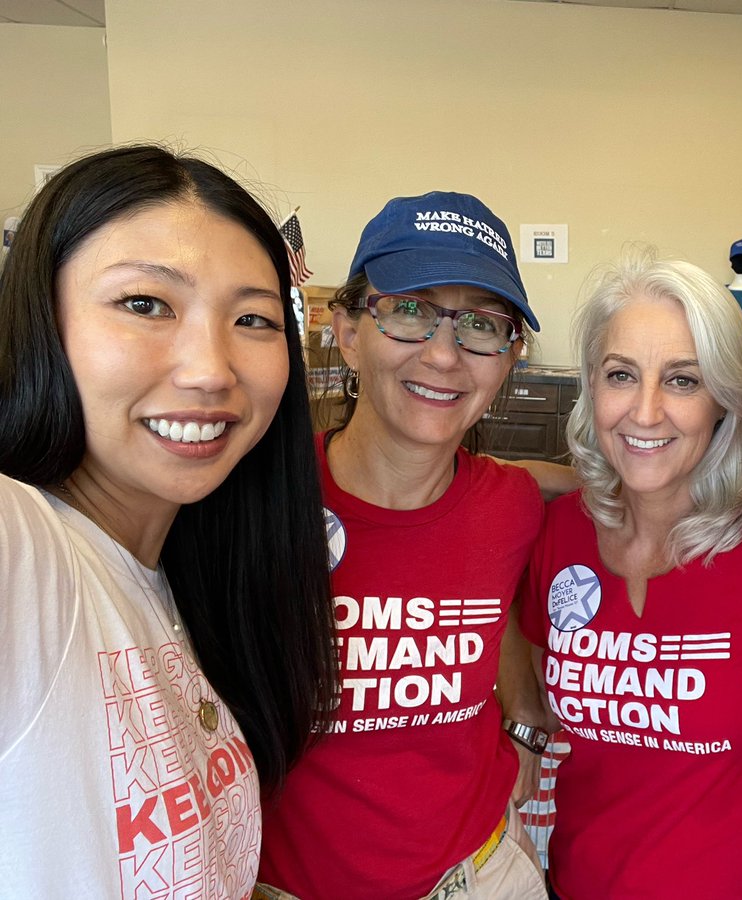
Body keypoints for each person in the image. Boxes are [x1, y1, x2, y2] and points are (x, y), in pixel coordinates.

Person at [0, 145, 338, 895]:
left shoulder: (180, 580)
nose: (211, 369)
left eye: (252, 318)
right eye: (146, 304)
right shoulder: (27, 554)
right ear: (38, 321)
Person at [258, 191, 549, 899]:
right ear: (349, 331)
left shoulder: (511, 503)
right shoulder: (261, 503)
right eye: (412, 309)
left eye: (483, 324)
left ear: (509, 356)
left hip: (478, 876)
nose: (445, 354)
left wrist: (526, 721)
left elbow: (498, 598)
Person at [519, 250, 742, 899]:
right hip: (579, 881)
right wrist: (526, 725)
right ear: (593, 384)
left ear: (724, 400)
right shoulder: (563, 534)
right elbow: (526, 649)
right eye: (621, 375)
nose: (644, 412)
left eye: (682, 380)